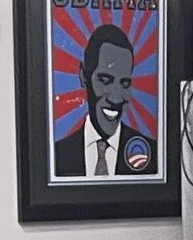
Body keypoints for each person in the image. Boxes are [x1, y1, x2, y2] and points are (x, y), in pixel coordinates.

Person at [53, 23, 153, 180]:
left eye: (124, 83)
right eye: (105, 80)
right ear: (84, 76)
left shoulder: (153, 155)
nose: (115, 98)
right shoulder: (58, 155)